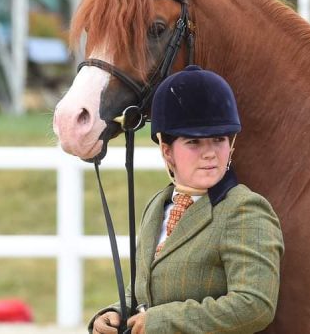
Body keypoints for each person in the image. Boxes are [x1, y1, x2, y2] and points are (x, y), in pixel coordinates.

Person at [90, 65, 284, 334]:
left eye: (218, 139)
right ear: (168, 152)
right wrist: (115, 313)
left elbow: (254, 305)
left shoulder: (245, 210)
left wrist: (162, 321)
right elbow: (148, 290)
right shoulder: (158, 205)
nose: (209, 154)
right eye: (194, 143)